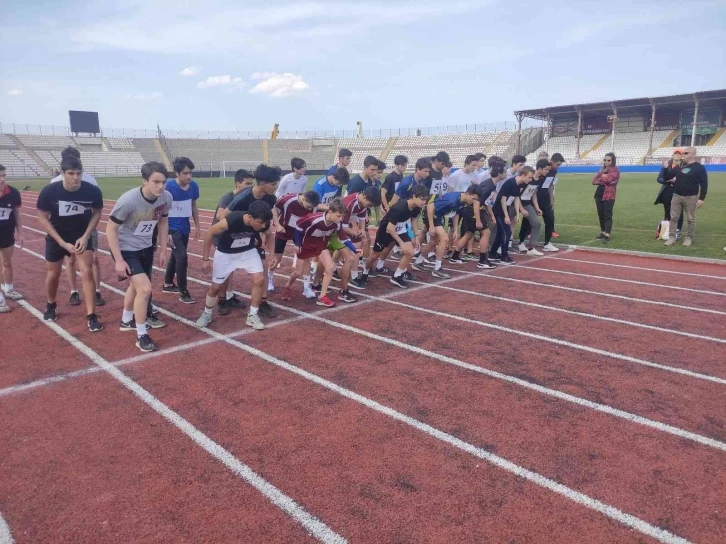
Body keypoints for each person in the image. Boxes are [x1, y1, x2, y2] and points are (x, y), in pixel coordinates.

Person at [107, 162, 172, 352]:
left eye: (163, 182)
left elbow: (163, 222)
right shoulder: (128, 200)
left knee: (135, 287)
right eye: (156, 182)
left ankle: (126, 319)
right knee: (145, 289)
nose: (160, 186)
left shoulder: (166, 198)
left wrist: (163, 249)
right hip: (126, 248)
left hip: (146, 246)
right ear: (145, 181)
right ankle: (141, 335)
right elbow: (110, 228)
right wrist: (119, 260)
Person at [37, 156, 104, 329]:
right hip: (57, 236)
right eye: (71, 173)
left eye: (78, 173)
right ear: (62, 173)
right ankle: (51, 304)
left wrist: (86, 236)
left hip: (81, 235)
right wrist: (61, 242)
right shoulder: (50, 191)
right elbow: (43, 217)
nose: (75, 177)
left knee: (87, 271)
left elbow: (97, 212)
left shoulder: (92, 191)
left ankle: (91, 315)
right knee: (53, 274)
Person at [196, 200, 273, 329]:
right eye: (260, 222)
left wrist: (272, 255)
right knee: (216, 287)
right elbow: (209, 232)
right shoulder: (233, 219)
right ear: (250, 217)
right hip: (226, 253)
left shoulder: (263, 222)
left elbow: (270, 235)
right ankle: (206, 314)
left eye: (265, 223)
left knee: (259, 279)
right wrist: (205, 259)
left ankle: (252, 315)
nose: (263, 225)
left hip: (247, 251)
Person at [221, 164, 281, 317]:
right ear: (262, 183)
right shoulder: (241, 198)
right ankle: (222, 300)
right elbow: (222, 218)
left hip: (252, 237)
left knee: (263, 266)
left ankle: (263, 302)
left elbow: (266, 225)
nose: (276, 187)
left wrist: (271, 253)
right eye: (273, 184)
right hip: (233, 236)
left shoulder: (271, 198)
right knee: (227, 269)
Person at [50, 146, 104, 308]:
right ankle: (74, 291)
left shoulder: (90, 180)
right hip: (66, 228)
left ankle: (97, 290)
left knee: (94, 259)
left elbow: (97, 206)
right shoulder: (55, 182)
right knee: (71, 259)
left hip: (87, 226)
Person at [282, 198, 354, 307]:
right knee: (298, 272)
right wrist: (297, 243)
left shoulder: (337, 223)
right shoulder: (314, 219)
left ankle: (322, 297)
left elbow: (343, 237)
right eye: (338, 216)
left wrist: (354, 249)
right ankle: (288, 286)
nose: (341, 219)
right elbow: (298, 225)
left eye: (342, 216)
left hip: (320, 246)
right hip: (305, 245)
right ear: (330, 211)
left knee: (330, 267)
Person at [362, 184, 430, 289]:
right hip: (386, 230)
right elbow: (390, 228)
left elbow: (413, 220)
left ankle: (397, 276)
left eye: (425, 199)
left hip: (400, 227)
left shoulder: (417, 207)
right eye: (422, 199)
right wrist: (401, 243)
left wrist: (415, 236)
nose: (424, 202)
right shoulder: (400, 207)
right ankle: (365, 272)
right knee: (375, 255)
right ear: (414, 196)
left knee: (410, 252)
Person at [211, 169, 254, 315]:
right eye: (247, 183)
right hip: (221, 236)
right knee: (225, 269)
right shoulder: (227, 197)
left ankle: (228, 296)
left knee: (231, 269)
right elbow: (219, 216)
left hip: (234, 236)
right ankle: (222, 300)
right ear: (238, 183)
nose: (250, 186)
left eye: (251, 183)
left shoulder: (248, 197)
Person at [420, 185, 481, 277]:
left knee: (433, 242)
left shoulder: (462, 201)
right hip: (430, 214)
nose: (474, 201)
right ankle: (437, 268)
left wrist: (456, 229)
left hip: (438, 215)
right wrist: (431, 226)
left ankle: (418, 262)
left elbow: (455, 213)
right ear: (467, 194)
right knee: (444, 239)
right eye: (473, 199)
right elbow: (430, 206)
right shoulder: (452, 200)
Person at [162, 157, 200, 302]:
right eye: (185, 173)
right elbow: (161, 209)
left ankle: (167, 284)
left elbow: (193, 205)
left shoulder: (194, 186)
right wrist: (165, 233)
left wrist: (197, 226)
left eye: (190, 173)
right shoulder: (168, 187)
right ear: (177, 173)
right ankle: (183, 292)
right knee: (182, 257)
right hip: (172, 228)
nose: (189, 176)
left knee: (176, 255)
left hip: (185, 227)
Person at [271, 190, 321, 299]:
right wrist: (277, 224)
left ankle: (306, 287)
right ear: (303, 199)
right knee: (276, 259)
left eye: (312, 207)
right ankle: (270, 277)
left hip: (299, 233)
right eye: (308, 206)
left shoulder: (313, 207)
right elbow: (275, 209)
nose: (310, 209)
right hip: (283, 230)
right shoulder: (288, 199)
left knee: (306, 258)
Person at [489, 166, 535, 265]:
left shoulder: (519, 184)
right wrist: (506, 215)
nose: (530, 180)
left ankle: (492, 254)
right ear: (523, 175)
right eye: (529, 177)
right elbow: (503, 199)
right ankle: (504, 257)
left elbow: (516, 198)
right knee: (507, 232)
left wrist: (518, 214)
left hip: (505, 208)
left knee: (501, 233)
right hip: (499, 209)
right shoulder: (510, 183)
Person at [664, 147, 707, 247]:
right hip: (677, 195)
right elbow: (669, 176)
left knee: (690, 219)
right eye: (683, 153)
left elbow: (704, 184)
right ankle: (672, 237)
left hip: (691, 197)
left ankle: (688, 238)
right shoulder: (680, 165)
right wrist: (666, 167)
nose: (683, 155)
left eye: (686, 153)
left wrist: (701, 198)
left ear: (693, 154)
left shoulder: (699, 167)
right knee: (673, 217)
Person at [0, 164, 24, 312]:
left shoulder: (13, 193)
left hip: (7, 234)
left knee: (7, 262)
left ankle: (9, 289)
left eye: (4, 175)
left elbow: (16, 213)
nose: (2, 179)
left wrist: (20, 232)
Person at [517, 159, 550, 255]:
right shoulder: (526, 178)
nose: (548, 171)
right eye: (546, 169)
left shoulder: (540, 180)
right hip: (516, 203)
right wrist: (520, 208)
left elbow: (534, 194)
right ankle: (506, 244)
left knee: (536, 224)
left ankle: (531, 248)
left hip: (527, 204)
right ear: (539, 168)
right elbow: (517, 195)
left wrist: (537, 207)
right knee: (508, 223)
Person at [655, 151, 684, 239]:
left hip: (679, 191)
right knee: (667, 211)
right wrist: (667, 181)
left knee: (679, 212)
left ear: (681, 156)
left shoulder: (684, 166)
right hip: (667, 190)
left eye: (679, 154)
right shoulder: (667, 165)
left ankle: (678, 230)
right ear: (672, 155)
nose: (677, 155)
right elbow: (659, 178)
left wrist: (676, 181)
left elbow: (685, 179)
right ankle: (667, 230)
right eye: (675, 153)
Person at [592, 153, 620, 244]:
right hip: (599, 194)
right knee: (600, 214)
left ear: (613, 161)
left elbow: (609, 180)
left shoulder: (615, 170)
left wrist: (602, 177)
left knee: (607, 215)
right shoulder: (602, 169)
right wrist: (603, 179)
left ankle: (607, 235)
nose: (606, 162)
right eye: (605, 160)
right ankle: (603, 232)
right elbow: (594, 181)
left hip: (609, 194)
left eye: (608, 160)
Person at [539, 153, 564, 252]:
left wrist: (552, 200)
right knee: (528, 221)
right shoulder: (543, 169)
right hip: (535, 198)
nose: (558, 167)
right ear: (552, 161)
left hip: (545, 198)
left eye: (559, 165)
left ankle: (547, 243)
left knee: (550, 219)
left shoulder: (553, 172)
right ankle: (521, 242)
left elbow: (550, 186)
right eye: (557, 164)